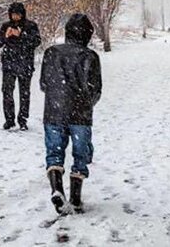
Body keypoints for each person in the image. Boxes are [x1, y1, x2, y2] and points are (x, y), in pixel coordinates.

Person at [40, 13, 102, 214]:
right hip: (80, 114)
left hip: (53, 112)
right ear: (87, 34)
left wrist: (56, 97)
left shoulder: (51, 53)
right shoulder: (90, 57)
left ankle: (57, 188)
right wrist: (85, 103)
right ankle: (75, 198)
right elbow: (95, 89)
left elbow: (44, 83)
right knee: (80, 154)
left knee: (54, 152)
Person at [0, 2, 41, 131]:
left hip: (25, 64)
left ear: (22, 14)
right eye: (13, 14)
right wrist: (5, 36)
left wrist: (21, 35)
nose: (15, 17)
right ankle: (9, 119)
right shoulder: (6, 26)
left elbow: (36, 41)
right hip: (9, 64)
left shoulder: (30, 26)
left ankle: (23, 119)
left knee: (24, 93)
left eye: (17, 14)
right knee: (7, 92)